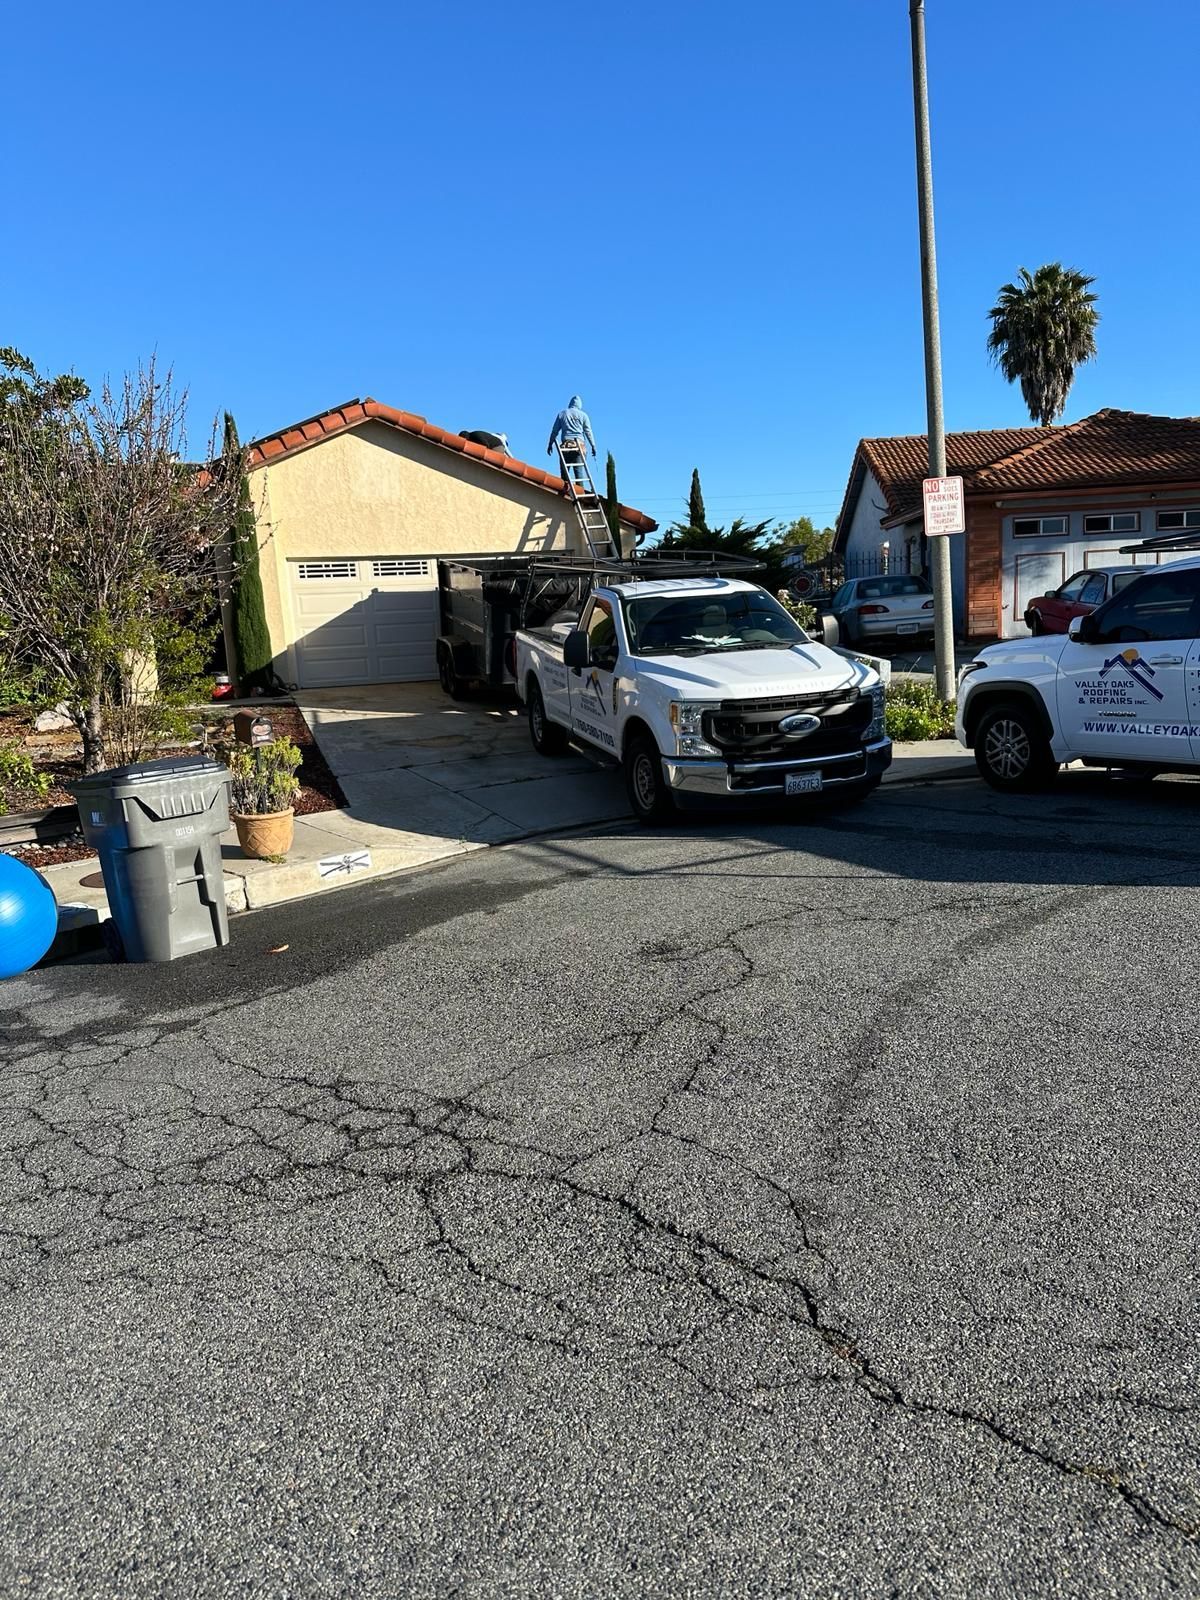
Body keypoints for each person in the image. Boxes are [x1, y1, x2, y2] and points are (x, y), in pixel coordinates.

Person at [546, 395, 596, 493]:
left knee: (564, 476)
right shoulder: (583, 415)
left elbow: (554, 431)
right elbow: (588, 432)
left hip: (566, 447)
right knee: (579, 475)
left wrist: (550, 444)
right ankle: (580, 494)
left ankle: (565, 494)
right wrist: (593, 446)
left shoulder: (562, 414)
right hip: (579, 448)